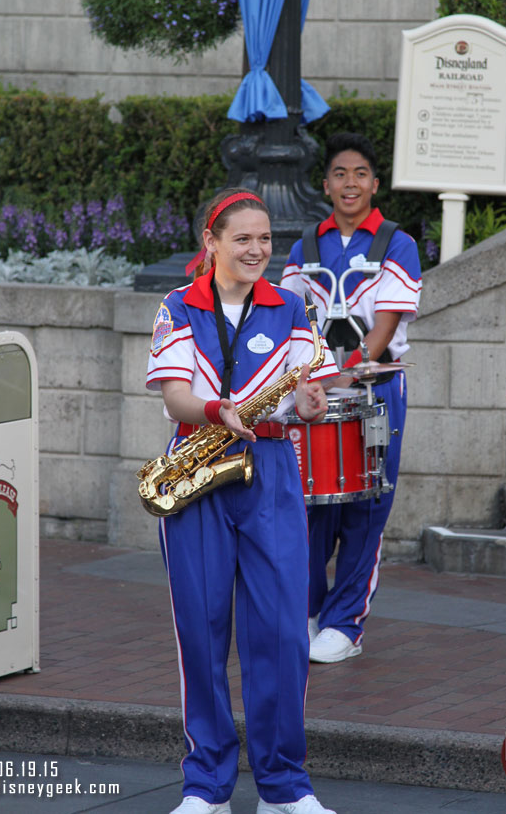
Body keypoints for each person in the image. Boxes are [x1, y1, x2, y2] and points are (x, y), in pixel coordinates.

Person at [145, 188, 339, 814]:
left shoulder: (292, 306)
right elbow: (175, 396)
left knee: (282, 632)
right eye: (243, 239)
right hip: (199, 463)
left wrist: (311, 401)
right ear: (212, 242)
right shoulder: (179, 307)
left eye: (265, 239)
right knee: (201, 632)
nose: (257, 249)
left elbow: (311, 389)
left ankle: (285, 790)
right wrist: (213, 410)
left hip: (274, 468)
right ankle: (206, 787)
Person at [280, 133, 422, 664]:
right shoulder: (304, 247)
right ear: (326, 184)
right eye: (340, 174)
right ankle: (309, 611)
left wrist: (345, 372)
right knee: (311, 503)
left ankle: (346, 624)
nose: (350, 184)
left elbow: (384, 326)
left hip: (375, 389)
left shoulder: (396, 242)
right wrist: (304, 379)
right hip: (316, 390)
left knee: (367, 504)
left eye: (360, 174)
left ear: (375, 183)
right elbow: (292, 321)